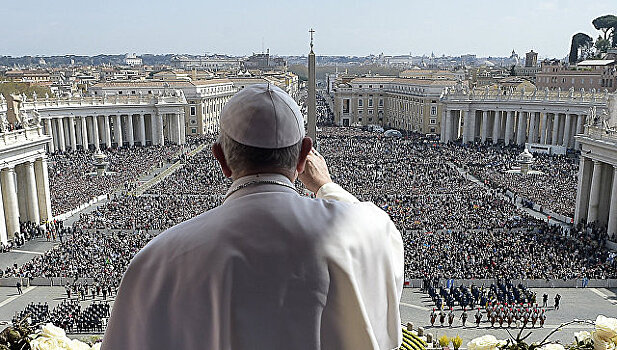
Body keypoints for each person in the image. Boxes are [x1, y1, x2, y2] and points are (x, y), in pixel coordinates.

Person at [102, 84, 405, 350]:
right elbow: (378, 232)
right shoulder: (366, 231)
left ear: (220, 158)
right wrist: (325, 186)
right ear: (304, 156)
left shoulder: (157, 260)